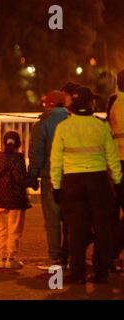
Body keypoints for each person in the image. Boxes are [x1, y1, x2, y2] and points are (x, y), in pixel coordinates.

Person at [50, 86, 122, 284]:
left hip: (73, 183)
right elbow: (112, 156)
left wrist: (56, 186)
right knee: (102, 230)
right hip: (98, 181)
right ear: (90, 103)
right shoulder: (101, 125)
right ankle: (101, 273)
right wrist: (116, 181)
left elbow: (55, 161)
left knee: (77, 231)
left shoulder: (64, 127)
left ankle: (78, 273)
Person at [28, 90, 69, 270]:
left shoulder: (43, 124)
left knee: (52, 220)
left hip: (50, 177)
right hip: (72, 175)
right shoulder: (71, 120)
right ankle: (70, 257)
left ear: (49, 104)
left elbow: (36, 153)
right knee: (70, 219)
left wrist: (32, 176)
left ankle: (55, 259)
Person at [0, 131, 31, 269]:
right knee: (14, 230)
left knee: (2, 230)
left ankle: (2, 258)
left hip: (0, 199)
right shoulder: (18, 159)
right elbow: (20, 179)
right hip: (16, 200)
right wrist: (31, 182)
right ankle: (11, 258)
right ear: (18, 144)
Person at [107, 69, 124, 271]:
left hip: (115, 163)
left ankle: (110, 255)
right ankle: (111, 252)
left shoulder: (114, 101)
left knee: (113, 212)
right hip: (122, 160)